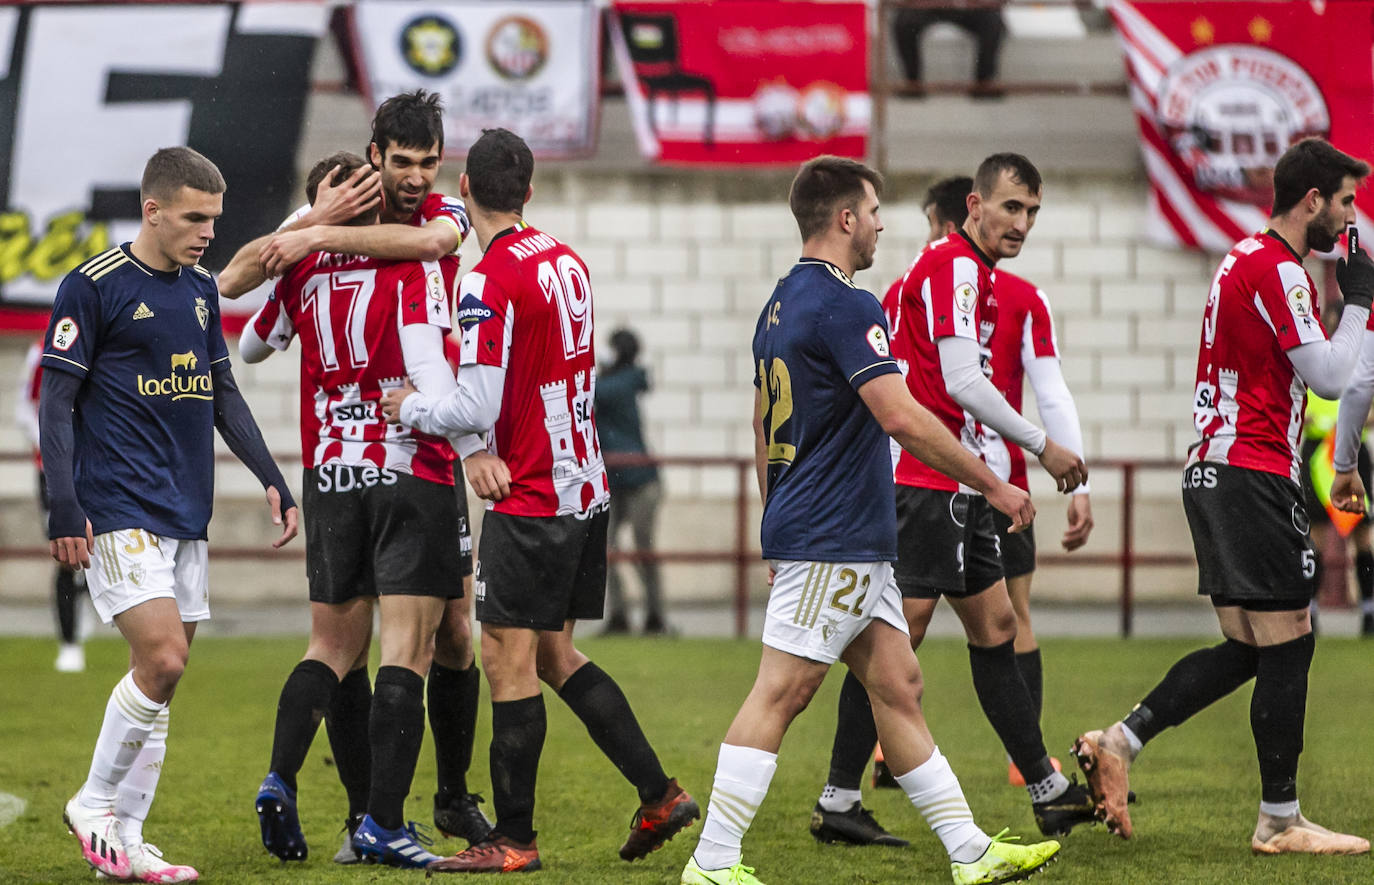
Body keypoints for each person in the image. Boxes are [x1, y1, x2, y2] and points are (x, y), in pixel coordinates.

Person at [677, 155, 1059, 885]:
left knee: (899, 687)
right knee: (782, 690)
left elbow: (762, 421)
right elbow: (901, 415)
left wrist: (773, 517)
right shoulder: (848, 305)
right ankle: (713, 859)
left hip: (835, 533)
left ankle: (969, 852)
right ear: (846, 218)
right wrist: (993, 482)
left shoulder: (780, 304)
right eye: (876, 211)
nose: (884, 224)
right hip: (837, 537)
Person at [380, 128, 698, 873]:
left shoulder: (486, 282)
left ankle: (514, 837)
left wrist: (408, 407)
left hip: (534, 498)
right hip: (586, 486)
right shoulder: (566, 259)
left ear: (461, 188)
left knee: (506, 660)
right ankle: (659, 792)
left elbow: (473, 402)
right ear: (529, 191)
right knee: (555, 653)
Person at [1074, 136, 1374, 855]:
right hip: (1250, 471)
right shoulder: (1277, 268)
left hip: (1217, 469)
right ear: (1313, 202)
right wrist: (1360, 297)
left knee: (1252, 646)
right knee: (1292, 639)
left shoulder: (1249, 261)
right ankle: (1279, 818)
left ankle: (1121, 739)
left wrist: (1345, 460)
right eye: (1345, 201)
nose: (1351, 215)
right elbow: (1335, 375)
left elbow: (1343, 377)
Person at [224, 91, 492, 861]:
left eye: (427, 162)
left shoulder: (352, 242)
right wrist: (472, 437)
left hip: (330, 470)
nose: (415, 176)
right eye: (401, 161)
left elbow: (246, 335)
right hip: (414, 462)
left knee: (367, 641)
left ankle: (299, 781)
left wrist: (312, 229)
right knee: (418, 640)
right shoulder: (408, 258)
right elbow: (428, 351)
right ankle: (380, 817)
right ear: (374, 157)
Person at [811, 154, 1095, 847]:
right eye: (1010, 208)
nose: (1021, 223)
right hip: (923, 484)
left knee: (996, 626)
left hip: (951, 483)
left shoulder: (963, 272)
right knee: (891, 641)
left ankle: (1047, 787)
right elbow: (964, 380)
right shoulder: (957, 268)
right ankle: (839, 797)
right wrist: (1041, 448)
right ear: (974, 204)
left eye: (1031, 212)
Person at [44, 147, 298, 882]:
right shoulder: (93, 287)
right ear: (152, 210)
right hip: (118, 508)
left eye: (215, 218)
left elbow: (223, 392)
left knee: (161, 679)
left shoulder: (197, 293)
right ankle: (92, 804)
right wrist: (65, 504)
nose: (208, 232)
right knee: (163, 658)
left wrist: (273, 479)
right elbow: (57, 402)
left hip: (188, 513)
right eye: (194, 217)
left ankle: (125, 840)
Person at [16, 339, 90, 673]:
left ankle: (84, 601)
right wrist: (52, 441)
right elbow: (24, 409)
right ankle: (69, 642)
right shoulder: (41, 350)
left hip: (96, 468)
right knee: (65, 552)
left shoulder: (105, 342)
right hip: (53, 471)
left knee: (99, 549)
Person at [596, 327, 667, 634]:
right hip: (614, 481)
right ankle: (619, 615)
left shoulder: (623, 382)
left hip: (640, 482)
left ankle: (655, 616)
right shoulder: (617, 380)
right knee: (605, 550)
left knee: (643, 550)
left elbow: (597, 392)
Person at [891, 3, 1006, 97]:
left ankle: (983, 85)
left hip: (969, 6)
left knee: (993, 22)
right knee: (904, 22)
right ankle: (913, 85)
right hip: (929, 6)